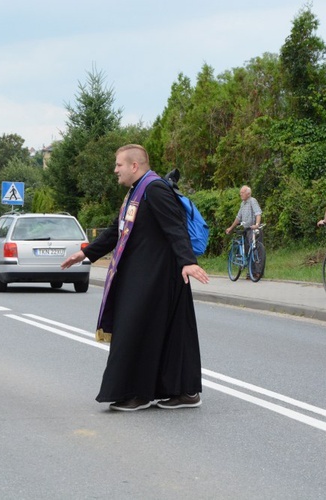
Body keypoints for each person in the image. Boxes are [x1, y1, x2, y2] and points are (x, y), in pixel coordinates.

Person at [61, 144, 209, 411]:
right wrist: (85, 254)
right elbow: (116, 231)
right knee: (157, 334)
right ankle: (179, 392)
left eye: (118, 165)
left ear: (134, 166)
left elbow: (175, 228)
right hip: (142, 276)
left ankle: (137, 393)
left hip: (159, 278)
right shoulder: (135, 192)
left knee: (136, 330)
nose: (114, 170)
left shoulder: (155, 189)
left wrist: (187, 262)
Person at [225, 185, 264, 279]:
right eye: (240, 193)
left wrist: (257, 224)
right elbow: (238, 218)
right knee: (247, 250)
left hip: (253, 229)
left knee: (255, 249)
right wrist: (231, 228)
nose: (240, 194)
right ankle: (250, 272)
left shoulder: (252, 201)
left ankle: (257, 272)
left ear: (248, 193)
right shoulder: (243, 204)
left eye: (242, 193)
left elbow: (258, 213)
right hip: (246, 229)